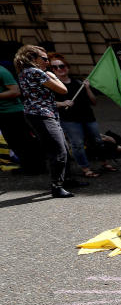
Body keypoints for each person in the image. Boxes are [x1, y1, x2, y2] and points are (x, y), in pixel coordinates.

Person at [14, 45, 74, 197]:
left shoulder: (23, 73)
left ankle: (65, 180)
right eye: (45, 59)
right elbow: (63, 90)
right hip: (42, 115)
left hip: (42, 114)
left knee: (63, 149)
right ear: (33, 59)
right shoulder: (35, 72)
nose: (48, 62)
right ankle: (57, 186)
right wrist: (53, 76)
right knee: (59, 151)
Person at [50, 54, 115, 178]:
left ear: (67, 68)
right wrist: (62, 103)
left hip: (88, 117)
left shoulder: (78, 83)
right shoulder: (53, 87)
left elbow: (94, 102)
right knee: (77, 144)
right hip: (69, 120)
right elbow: (48, 103)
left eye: (62, 66)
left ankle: (104, 163)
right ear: (52, 71)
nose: (59, 69)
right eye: (55, 67)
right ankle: (86, 168)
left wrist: (88, 88)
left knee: (98, 142)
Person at [0, 63, 43, 174]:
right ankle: (29, 166)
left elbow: (15, 91)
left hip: (12, 112)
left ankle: (35, 167)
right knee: (14, 142)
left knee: (22, 140)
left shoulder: (2, 71)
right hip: (3, 113)